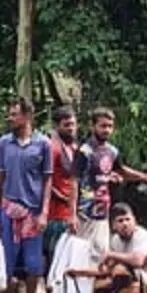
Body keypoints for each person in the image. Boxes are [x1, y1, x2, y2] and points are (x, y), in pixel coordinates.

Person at [0, 98, 53, 293]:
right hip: (8, 208)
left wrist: (44, 213)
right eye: (9, 114)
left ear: (27, 116)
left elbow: (48, 180)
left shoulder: (43, 144)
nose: (10, 118)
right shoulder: (3, 143)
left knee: (33, 264)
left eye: (15, 114)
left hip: (33, 211)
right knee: (6, 262)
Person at [76, 106, 147, 258]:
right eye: (102, 126)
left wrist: (143, 176)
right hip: (84, 211)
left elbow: (121, 170)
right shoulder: (85, 151)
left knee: (99, 253)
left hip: (102, 210)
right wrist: (71, 213)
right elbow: (73, 181)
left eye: (110, 126)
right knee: (82, 252)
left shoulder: (112, 151)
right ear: (93, 126)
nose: (106, 130)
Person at [45, 105, 80, 259]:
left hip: (71, 212)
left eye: (73, 124)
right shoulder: (53, 149)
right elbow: (45, 179)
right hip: (55, 213)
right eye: (66, 125)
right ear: (56, 126)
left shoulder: (74, 148)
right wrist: (62, 197)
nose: (71, 128)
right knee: (55, 255)